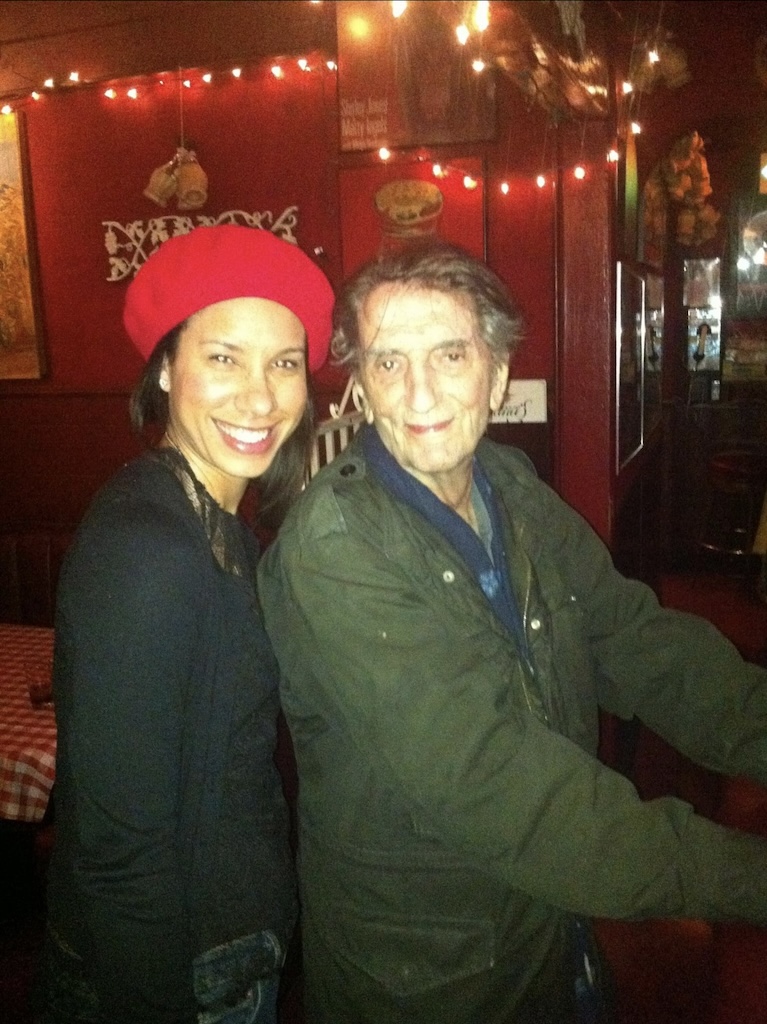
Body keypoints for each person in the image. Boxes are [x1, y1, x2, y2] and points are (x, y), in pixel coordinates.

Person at [258, 241, 767, 1024]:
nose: (419, 391)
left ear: (496, 374)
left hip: (547, 932)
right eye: (388, 363)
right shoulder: (335, 548)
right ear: (359, 388)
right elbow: (500, 785)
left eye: (450, 354)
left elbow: (637, 642)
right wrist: (747, 879)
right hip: (435, 978)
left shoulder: (510, 484)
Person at [34, 224, 334, 1024]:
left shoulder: (222, 526)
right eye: (223, 358)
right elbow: (116, 851)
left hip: (229, 945)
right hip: (183, 971)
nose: (261, 397)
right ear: (166, 368)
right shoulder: (149, 548)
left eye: (282, 363)